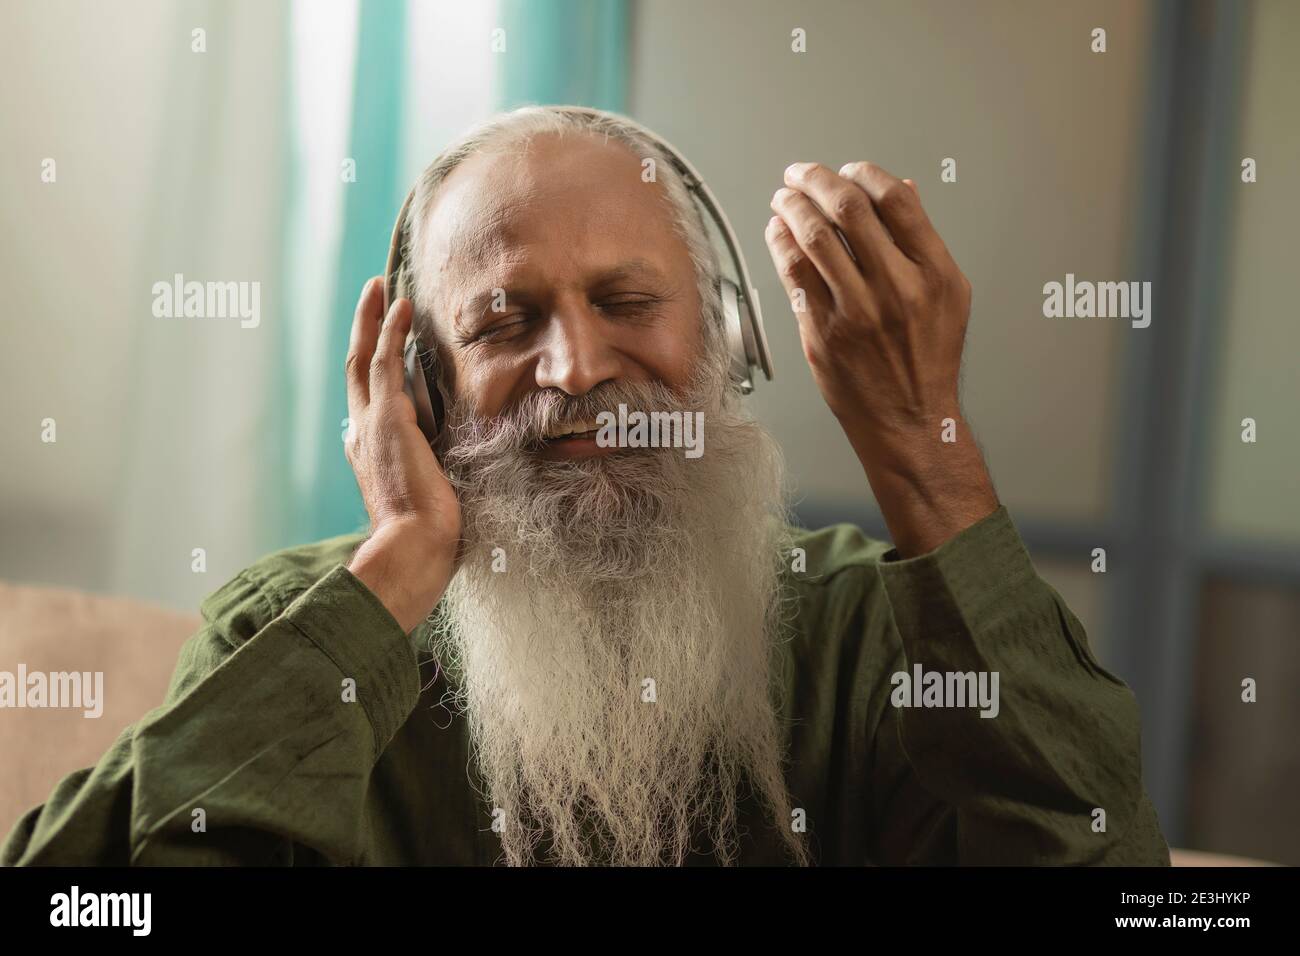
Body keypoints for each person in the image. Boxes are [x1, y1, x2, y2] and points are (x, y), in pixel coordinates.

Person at [2, 106, 1170, 866]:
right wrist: (400, 560)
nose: (576, 369)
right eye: (505, 322)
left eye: (625, 304)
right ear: (421, 382)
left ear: (722, 338)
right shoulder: (300, 630)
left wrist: (928, 456)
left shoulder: (869, 630)